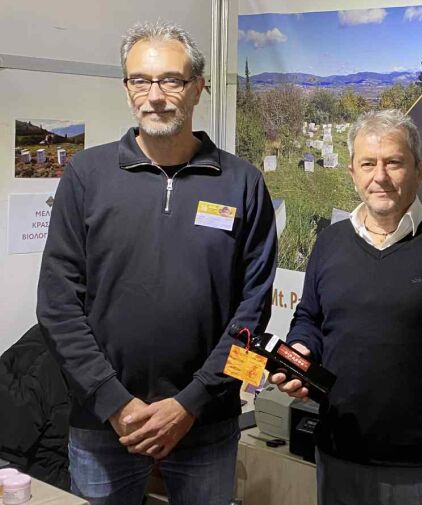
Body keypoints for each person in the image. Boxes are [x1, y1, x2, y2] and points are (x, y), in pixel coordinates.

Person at [36, 21, 277, 505]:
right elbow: (57, 306)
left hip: (207, 423)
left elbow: (253, 315)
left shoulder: (242, 183)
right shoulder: (86, 175)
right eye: (140, 80)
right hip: (104, 424)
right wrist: (114, 403)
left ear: (198, 88)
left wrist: (192, 403)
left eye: (171, 80)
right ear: (127, 88)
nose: (155, 96)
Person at [270, 109, 422, 505]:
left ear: (419, 170)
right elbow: (310, 318)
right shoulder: (329, 242)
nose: (379, 176)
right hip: (339, 459)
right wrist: (301, 349)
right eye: (368, 164)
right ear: (352, 172)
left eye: (394, 163)